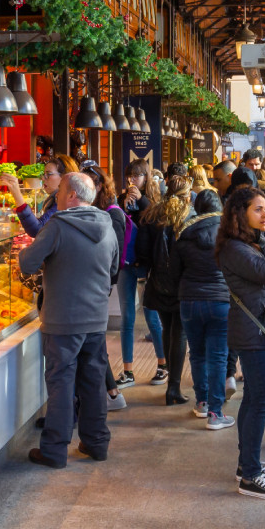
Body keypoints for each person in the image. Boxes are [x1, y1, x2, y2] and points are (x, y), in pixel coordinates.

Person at [19, 172, 120, 468]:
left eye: (61, 191)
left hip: (63, 319)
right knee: (92, 382)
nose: (58, 196)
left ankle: (53, 450)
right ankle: (96, 443)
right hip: (96, 319)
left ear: (72, 195)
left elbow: (27, 263)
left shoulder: (58, 226)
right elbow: (113, 267)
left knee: (61, 382)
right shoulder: (108, 225)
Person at [217, 186, 265, 500]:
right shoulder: (235, 247)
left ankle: (248, 463)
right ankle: (250, 476)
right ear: (240, 214)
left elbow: (264, 283)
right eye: (258, 209)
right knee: (262, 401)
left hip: (255, 328)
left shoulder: (247, 243)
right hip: (252, 332)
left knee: (253, 401)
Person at [167, 189, 233, 429]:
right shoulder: (228, 234)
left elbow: (173, 272)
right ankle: (216, 414)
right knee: (217, 356)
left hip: (189, 301)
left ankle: (202, 403)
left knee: (197, 354)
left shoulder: (184, 233)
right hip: (221, 301)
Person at [136, 174, 192, 405]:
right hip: (183, 283)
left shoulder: (153, 213)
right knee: (179, 333)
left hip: (158, 283)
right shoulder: (188, 216)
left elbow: (142, 250)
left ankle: (171, 383)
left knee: (167, 330)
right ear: (186, 195)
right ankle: (174, 387)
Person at [80, 160, 128, 411]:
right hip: (95, 286)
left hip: (98, 286)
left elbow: (115, 258)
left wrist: (105, 283)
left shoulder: (112, 213)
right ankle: (111, 393)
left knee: (96, 342)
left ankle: (111, 394)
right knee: (96, 341)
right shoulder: (94, 210)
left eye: (87, 184)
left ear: (99, 185)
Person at [115, 159, 166, 387]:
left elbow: (156, 223)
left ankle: (163, 365)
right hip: (126, 264)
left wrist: (141, 200)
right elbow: (118, 226)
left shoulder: (153, 201)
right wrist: (124, 206)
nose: (132, 181)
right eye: (129, 177)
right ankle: (128, 371)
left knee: (152, 317)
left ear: (146, 177)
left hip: (147, 266)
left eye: (136, 176)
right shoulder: (122, 199)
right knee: (127, 317)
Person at [1, 155, 78, 237]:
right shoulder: (56, 200)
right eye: (44, 175)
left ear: (64, 177)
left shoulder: (64, 203)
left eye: (48, 174)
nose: (43, 179)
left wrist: (16, 193)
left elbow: (38, 230)